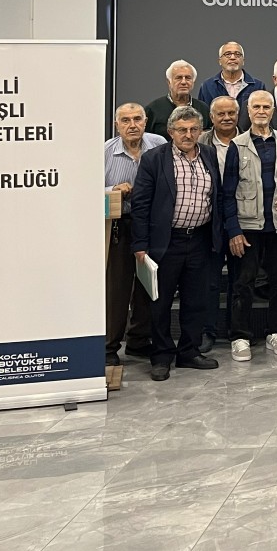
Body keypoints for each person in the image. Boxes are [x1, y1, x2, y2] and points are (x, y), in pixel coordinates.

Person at [131, 105, 237, 382]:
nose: (188, 135)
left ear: (200, 131)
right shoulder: (154, 159)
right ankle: (161, 356)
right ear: (171, 132)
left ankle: (189, 351)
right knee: (161, 303)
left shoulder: (209, 154)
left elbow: (217, 196)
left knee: (196, 300)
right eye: (182, 130)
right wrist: (140, 244)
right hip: (166, 242)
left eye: (193, 129)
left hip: (200, 239)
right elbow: (141, 204)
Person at [227, 91, 277, 362]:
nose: (261, 111)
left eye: (266, 107)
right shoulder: (237, 145)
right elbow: (227, 192)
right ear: (248, 111)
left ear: (273, 111)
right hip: (247, 228)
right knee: (243, 283)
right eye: (256, 107)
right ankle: (240, 336)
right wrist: (233, 230)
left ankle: (276, 332)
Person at [104, 103, 166, 365]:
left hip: (152, 225)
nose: (132, 125)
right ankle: (109, 347)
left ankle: (139, 341)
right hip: (120, 226)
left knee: (147, 285)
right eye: (126, 120)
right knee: (117, 289)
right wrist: (112, 189)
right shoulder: (105, 152)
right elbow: (85, 188)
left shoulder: (159, 145)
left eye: (137, 119)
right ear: (116, 125)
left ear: (145, 121)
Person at [199, 95, 242, 354]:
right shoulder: (200, 142)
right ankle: (208, 330)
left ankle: (237, 332)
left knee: (239, 280)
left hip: (241, 220)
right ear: (211, 117)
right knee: (210, 281)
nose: (227, 118)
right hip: (210, 221)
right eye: (221, 114)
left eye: (231, 113)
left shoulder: (248, 140)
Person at [144, 60, 209, 138]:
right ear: (169, 82)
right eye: (178, 78)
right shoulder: (153, 110)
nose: (183, 82)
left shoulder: (203, 108)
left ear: (193, 82)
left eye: (188, 78)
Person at [197, 41, 266, 108]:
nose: (232, 58)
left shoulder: (258, 86)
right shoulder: (207, 86)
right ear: (220, 61)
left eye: (237, 54)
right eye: (227, 54)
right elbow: (202, 112)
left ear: (243, 61)